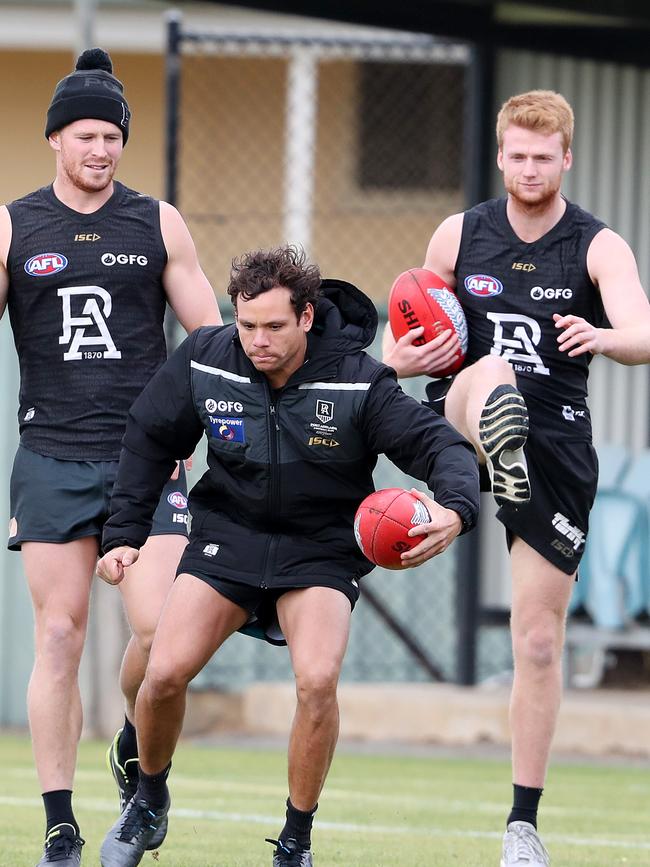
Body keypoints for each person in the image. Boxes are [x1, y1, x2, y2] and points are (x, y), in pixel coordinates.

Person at [93, 244, 480, 867]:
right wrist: (122, 534)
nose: (258, 341)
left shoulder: (359, 379)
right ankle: (148, 797)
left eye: (274, 326)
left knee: (318, 680)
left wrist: (455, 509)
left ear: (306, 316)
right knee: (163, 672)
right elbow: (148, 435)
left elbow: (440, 447)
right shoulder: (207, 359)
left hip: (320, 549)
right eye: (247, 325)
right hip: (230, 536)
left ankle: (295, 840)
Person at [382, 89, 650, 866]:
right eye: (518, 155)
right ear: (500, 156)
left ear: (567, 158)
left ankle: (521, 825)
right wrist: (399, 361)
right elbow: (407, 326)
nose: (531, 168)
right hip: (464, 408)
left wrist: (602, 333)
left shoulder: (597, 246)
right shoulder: (459, 234)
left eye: (545, 157)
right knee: (489, 372)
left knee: (537, 641)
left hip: (557, 442)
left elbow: (643, 329)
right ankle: (491, 452)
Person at [0, 48, 221, 866]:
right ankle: (59, 824)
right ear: (55, 139)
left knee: (165, 634)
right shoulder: (14, 223)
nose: (100, 150)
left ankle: (135, 744)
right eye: (85, 135)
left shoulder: (156, 221)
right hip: (52, 454)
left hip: (146, 457)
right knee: (57, 635)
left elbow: (209, 335)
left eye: (111, 137)